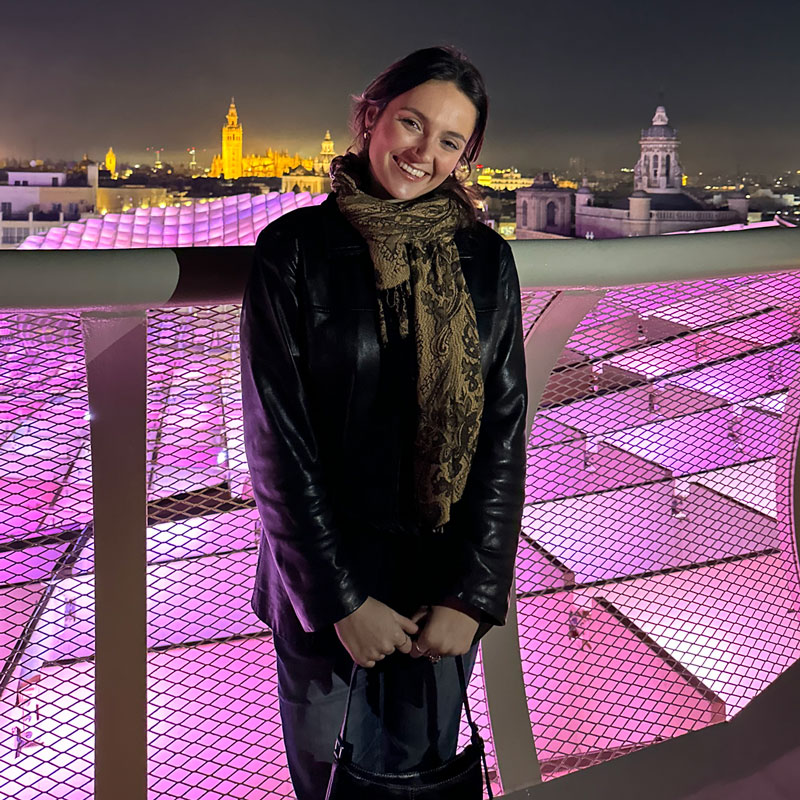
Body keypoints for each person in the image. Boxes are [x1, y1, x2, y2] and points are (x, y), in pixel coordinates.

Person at [240, 45, 528, 800]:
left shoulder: (485, 261)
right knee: (332, 785)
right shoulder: (293, 253)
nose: (423, 152)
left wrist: (472, 595)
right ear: (371, 117)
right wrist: (341, 602)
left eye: (449, 141)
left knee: (420, 783)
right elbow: (278, 445)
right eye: (411, 122)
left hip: (440, 598)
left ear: (467, 156)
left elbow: (503, 435)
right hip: (327, 601)